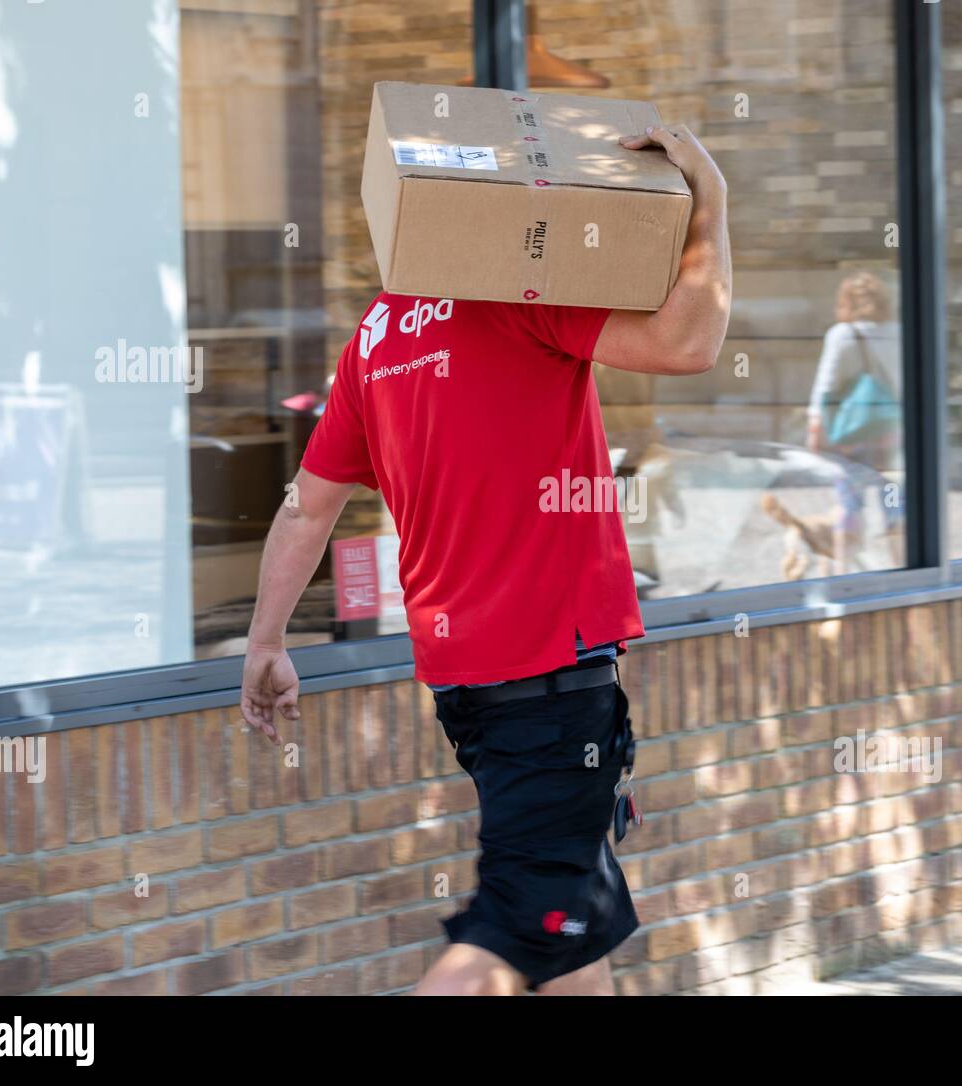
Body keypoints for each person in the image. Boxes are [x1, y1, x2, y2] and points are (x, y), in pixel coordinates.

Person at [238, 124, 731, 996]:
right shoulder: (515, 294)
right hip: (547, 684)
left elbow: (305, 506)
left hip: (471, 689)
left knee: (572, 939)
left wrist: (266, 643)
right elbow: (688, 344)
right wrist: (711, 202)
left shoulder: (376, 339)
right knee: (507, 943)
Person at [805, 272, 905, 570]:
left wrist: (815, 432)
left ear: (846, 303)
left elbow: (825, 389)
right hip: (892, 434)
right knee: (897, 506)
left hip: (851, 436)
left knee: (849, 505)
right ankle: (905, 570)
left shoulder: (843, 335)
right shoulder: (901, 332)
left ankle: (843, 577)